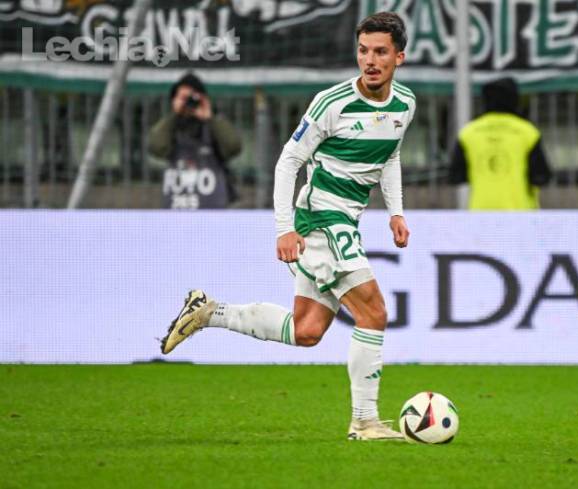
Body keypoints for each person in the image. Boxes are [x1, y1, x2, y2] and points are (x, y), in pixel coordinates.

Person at [160, 12, 415, 441]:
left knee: (307, 330)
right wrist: (284, 228)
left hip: (346, 221)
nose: (370, 61)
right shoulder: (331, 103)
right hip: (321, 219)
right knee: (374, 312)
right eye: (363, 50)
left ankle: (208, 312)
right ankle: (365, 421)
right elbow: (288, 162)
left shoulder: (404, 104)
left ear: (399, 57)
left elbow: (390, 156)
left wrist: (396, 212)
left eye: (380, 52)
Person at [449, 77, 552, 209]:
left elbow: (456, 176)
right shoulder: (527, 132)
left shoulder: (469, 133)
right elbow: (542, 177)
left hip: (480, 213)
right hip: (520, 213)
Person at [148, 72, 242, 209]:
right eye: (183, 98)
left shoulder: (214, 127)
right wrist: (175, 115)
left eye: (191, 98)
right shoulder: (171, 129)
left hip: (213, 213)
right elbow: (156, 147)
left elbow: (233, 146)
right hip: (176, 209)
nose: (188, 103)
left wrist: (210, 117)